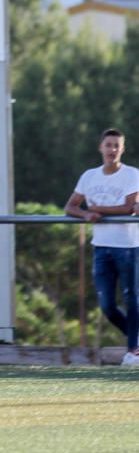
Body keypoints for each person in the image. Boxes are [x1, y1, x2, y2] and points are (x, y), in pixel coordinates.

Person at [65, 128, 139, 366]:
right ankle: (136, 340)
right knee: (107, 305)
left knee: (132, 298)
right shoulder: (89, 176)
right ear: (101, 148)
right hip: (101, 247)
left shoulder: (132, 175)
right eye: (108, 145)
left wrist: (98, 210)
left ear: (123, 149)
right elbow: (70, 207)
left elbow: (129, 207)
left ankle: (133, 352)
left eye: (117, 145)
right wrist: (86, 214)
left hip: (128, 246)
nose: (112, 150)